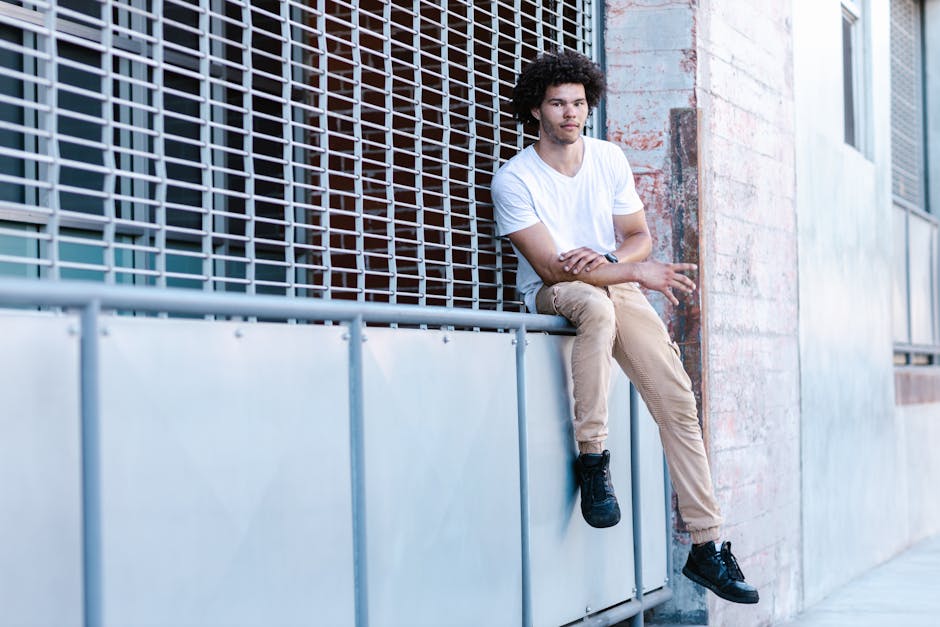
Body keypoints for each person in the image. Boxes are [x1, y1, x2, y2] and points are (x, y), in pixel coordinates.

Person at [491, 50, 758, 605]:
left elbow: (638, 234)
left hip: (613, 280)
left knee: (677, 400)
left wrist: (623, 262)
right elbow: (551, 267)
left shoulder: (608, 158)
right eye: (558, 104)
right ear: (536, 110)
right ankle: (593, 458)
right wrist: (632, 269)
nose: (571, 114)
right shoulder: (514, 178)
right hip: (553, 292)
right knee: (596, 307)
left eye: (579, 103)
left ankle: (706, 546)